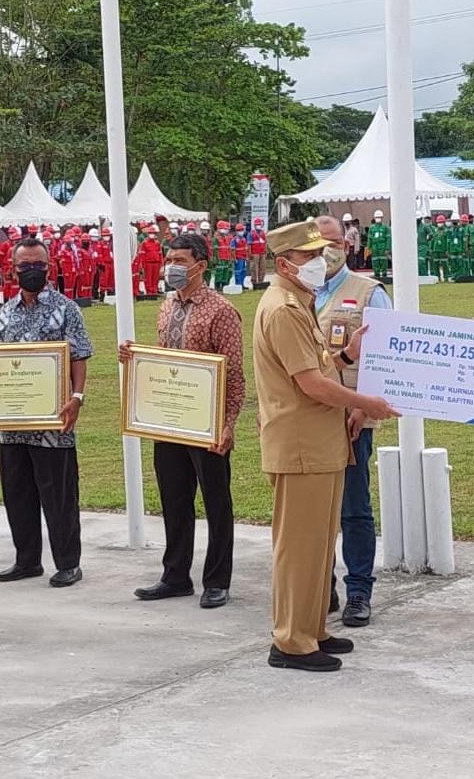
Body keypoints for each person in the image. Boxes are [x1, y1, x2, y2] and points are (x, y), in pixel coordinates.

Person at [253, 221, 398, 672]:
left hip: (319, 443)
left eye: (323, 252)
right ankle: (291, 642)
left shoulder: (299, 302)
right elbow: (313, 384)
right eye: (309, 256)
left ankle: (313, 628)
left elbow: (320, 366)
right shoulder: (284, 309)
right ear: (284, 263)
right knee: (299, 548)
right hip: (301, 445)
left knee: (317, 545)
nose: (320, 262)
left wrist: (349, 356)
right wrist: (366, 401)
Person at [0, 237, 93, 587]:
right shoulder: (6, 310)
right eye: (25, 266)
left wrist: (77, 397)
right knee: (17, 493)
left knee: (59, 496)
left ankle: (68, 563)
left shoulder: (66, 308)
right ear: (13, 269)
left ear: (49, 267)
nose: (32, 271)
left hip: (54, 420)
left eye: (39, 265)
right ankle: (27, 560)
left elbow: (79, 357)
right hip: (11, 422)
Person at [119, 233, 245, 608]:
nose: (171, 266)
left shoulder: (220, 311)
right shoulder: (166, 306)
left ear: (200, 266)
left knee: (216, 502)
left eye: (179, 260)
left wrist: (228, 423)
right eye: (168, 258)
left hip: (207, 422)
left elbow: (234, 373)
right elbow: (163, 359)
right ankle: (175, 575)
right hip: (169, 420)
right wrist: (135, 357)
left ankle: (217, 580)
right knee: (174, 499)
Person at [313, 215, 393, 627]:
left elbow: (385, 355)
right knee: (311, 508)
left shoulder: (368, 292)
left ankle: (358, 589)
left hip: (350, 419)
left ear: (346, 246)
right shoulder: (299, 292)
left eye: (330, 243)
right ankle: (319, 586)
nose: (323, 251)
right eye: (316, 243)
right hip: (306, 419)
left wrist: (362, 408)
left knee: (352, 508)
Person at [368, 210, 391, 282]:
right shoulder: (371, 228)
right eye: (377, 217)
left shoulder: (385, 227)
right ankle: (376, 273)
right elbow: (370, 238)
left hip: (383, 246)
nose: (378, 218)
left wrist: (387, 248)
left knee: (383, 260)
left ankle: (384, 274)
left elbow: (388, 239)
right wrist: (369, 247)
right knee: (375, 260)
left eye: (379, 217)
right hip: (374, 247)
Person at [249, 218, 268, 285]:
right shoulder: (251, 234)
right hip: (255, 253)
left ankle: (261, 281)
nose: (258, 226)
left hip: (262, 253)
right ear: (254, 225)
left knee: (263, 267)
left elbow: (265, 243)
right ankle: (254, 282)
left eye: (259, 224)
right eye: (257, 225)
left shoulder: (263, 233)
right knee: (254, 268)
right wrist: (250, 253)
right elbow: (249, 245)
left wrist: (266, 251)